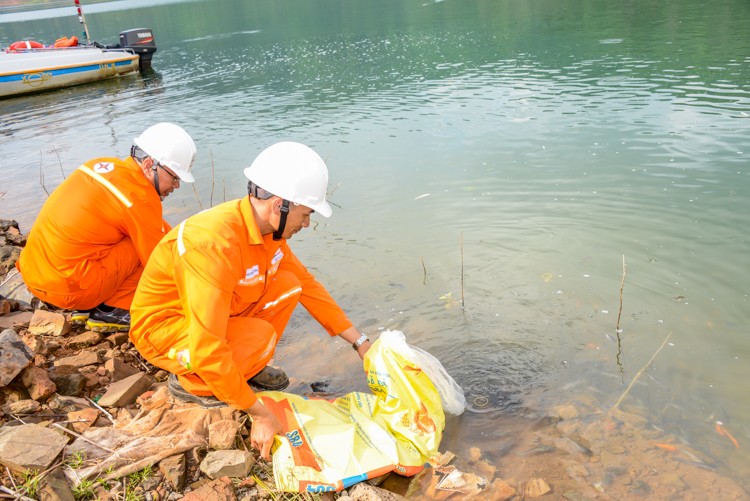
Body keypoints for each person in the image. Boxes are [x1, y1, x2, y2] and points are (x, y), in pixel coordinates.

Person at [129, 141, 371, 460]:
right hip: (163, 331)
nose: (307, 224)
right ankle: (197, 384)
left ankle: (241, 370)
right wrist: (258, 413)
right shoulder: (213, 246)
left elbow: (308, 286)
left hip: (199, 317)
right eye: (306, 213)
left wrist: (360, 343)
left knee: (288, 285)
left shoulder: (266, 232)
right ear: (279, 205)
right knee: (257, 338)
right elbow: (207, 349)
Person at [16, 122, 197, 333]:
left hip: (34, 274)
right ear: (149, 165)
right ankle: (112, 309)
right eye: (174, 177)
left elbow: (156, 225)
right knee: (151, 248)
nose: (176, 186)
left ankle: (89, 303)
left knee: (144, 233)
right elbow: (162, 261)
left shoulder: (100, 165)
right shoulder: (138, 198)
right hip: (66, 290)